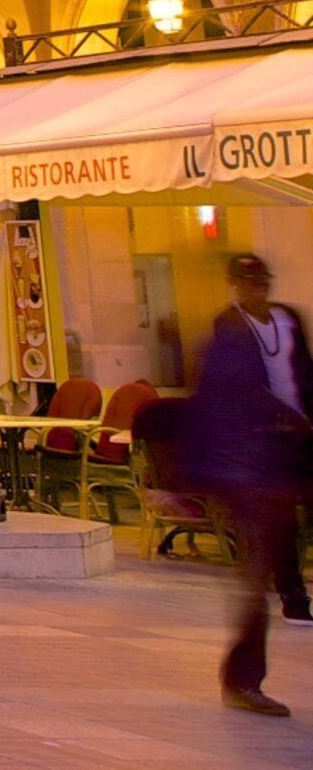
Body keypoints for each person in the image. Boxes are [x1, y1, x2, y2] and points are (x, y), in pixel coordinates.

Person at [182, 253, 313, 714]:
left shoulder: (288, 321)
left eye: (261, 281)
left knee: (266, 565)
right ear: (234, 285)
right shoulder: (227, 334)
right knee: (256, 575)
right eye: (246, 282)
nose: (255, 289)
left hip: (288, 455)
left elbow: (305, 376)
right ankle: (243, 681)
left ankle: (247, 673)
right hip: (248, 468)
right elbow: (222, 408)